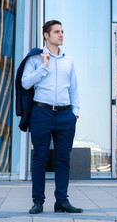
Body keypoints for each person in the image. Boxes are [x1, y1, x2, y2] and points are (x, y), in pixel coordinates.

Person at [21, 20, 83, 214]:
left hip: (65, 115)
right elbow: (25, 83)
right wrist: (44, 67)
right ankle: (38, 202)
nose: (61, 35)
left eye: (62, 31)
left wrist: (75, 113)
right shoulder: (35, 59)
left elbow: (74, 88)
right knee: (40, 158)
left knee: (63, 159)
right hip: (42, 113)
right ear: (46, 35)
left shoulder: (69, 61)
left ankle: (62, 201)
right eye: (57, 32)